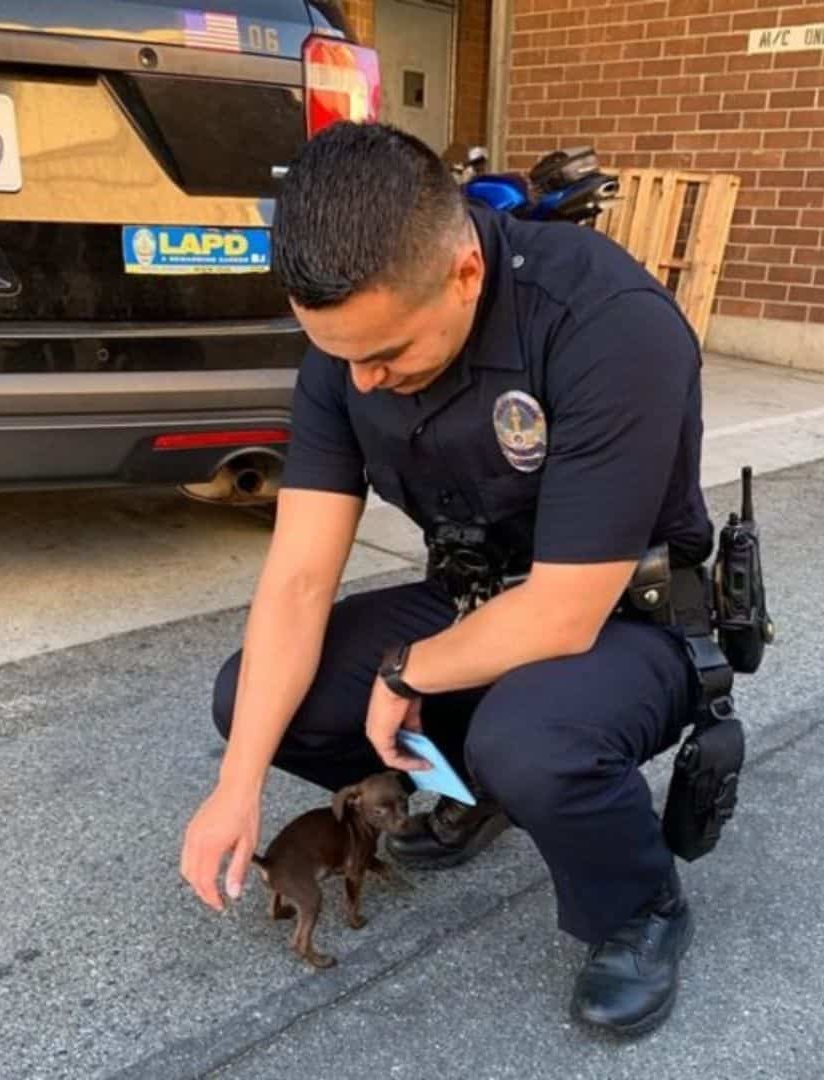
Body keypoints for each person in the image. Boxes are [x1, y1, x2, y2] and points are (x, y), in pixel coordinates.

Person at [179, 121, 718, 1037]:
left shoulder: (604, 323)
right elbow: (299, 579)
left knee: (535, 737)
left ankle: (638, 908)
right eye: (341, 354)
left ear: (464, 272)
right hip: (476, 593)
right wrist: (238, 787)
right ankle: (487, 791)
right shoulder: (351, 351)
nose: (365, 379)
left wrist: (407, 674)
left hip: (628, 613)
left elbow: (562, 611)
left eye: (386, 353)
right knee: (258, 699)